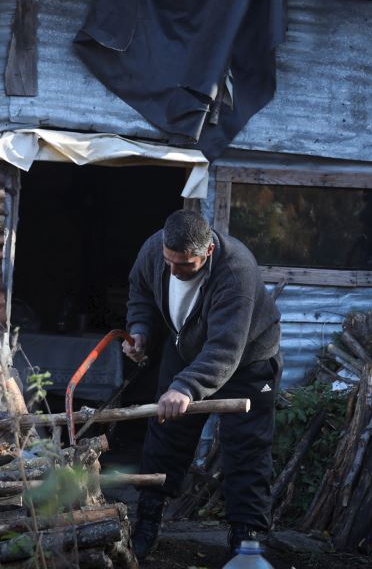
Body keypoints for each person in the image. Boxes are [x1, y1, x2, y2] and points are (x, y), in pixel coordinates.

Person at [122, 209, 282, 560]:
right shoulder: (155, 250)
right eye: (169, 262)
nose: (174, 272)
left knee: (246, 450)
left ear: (207, 252)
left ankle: (246, 542)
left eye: (184, 266)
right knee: (165, 434)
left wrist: (186, 388)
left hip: (246, 362)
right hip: (187, 350)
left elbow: (226, 348)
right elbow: (141, 292)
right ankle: (146, 523)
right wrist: (140, 330)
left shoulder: (236, 271)